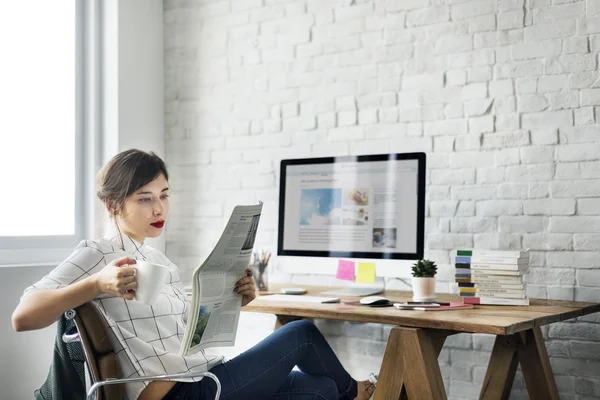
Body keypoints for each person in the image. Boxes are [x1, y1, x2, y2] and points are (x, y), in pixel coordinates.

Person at [12, 149, 378, 400]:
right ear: (113, 204)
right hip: (185, 393)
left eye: (164, 195)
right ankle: (362, 392)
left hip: (204, 375)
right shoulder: (97, 253)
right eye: (144, 198)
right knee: (300, 333)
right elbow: (23, 316)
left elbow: (195, 333)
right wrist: (97, 283)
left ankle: (347, 392)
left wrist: (235, 298)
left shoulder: (157, 261)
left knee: (321, 389)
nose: (159, 208)